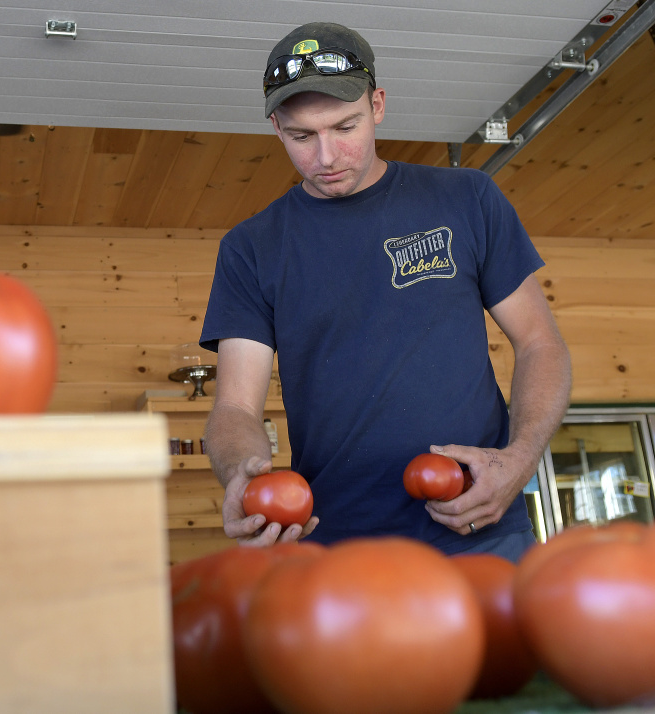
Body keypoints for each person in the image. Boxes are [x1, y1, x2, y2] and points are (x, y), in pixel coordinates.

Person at [199, 21, 572, 562]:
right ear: (277, 127)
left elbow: (541, 343)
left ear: (377, 105)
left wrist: (519, 459)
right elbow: (234, 406)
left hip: (481, 529)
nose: (326, 156)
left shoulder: (467, 199)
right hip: (334, 546)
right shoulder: (250, 248)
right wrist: (241, 472)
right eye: (302, 136)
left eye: (345, 126)